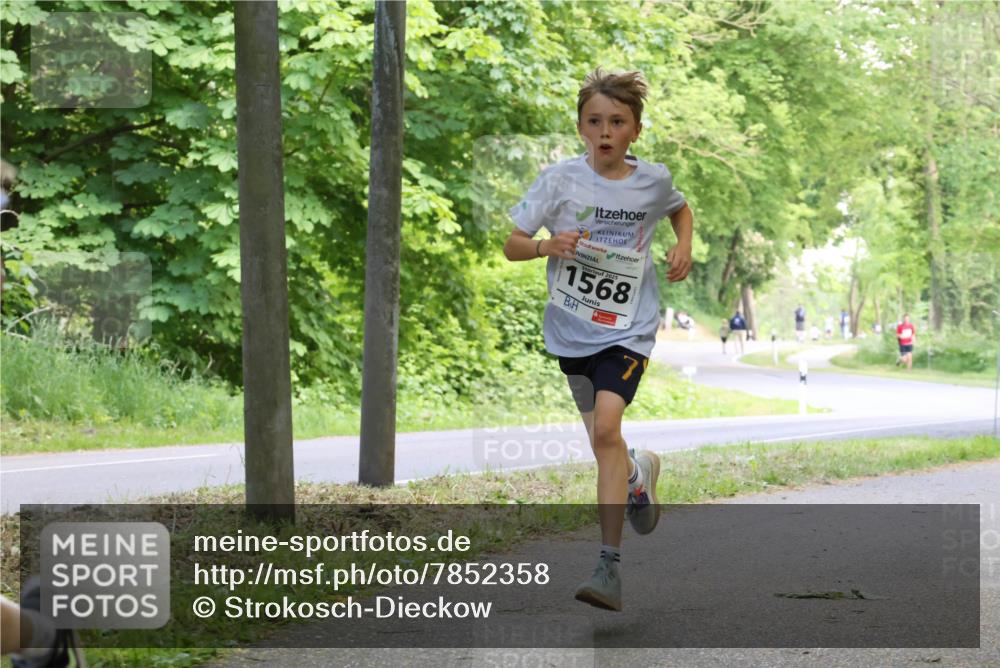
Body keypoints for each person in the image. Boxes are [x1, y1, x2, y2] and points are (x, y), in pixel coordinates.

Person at [503, 67, 693, 611]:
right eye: (594, 121)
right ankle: (638, 473)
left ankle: (608, 568)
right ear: (581, 127)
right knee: (603, 446)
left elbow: (680, 207)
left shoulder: (652, 180)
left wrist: (684, 244)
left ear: (635, 129)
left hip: (628, 328)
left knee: (607, 427)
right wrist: (545, 247)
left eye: (617, 122)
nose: (605, 131)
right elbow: (513, 243)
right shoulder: (558, 181)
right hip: (571, 331)